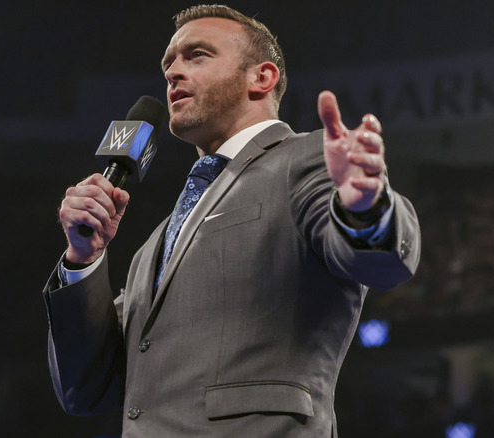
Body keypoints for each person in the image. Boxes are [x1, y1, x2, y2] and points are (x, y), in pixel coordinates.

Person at [43, 4, 420, 437]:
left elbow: (382, 263)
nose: (173, 73)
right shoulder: (156, 245)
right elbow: (84, 391)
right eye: (169, 63)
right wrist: (81, 260)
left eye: (196, 55)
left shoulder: (306, 160)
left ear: (261, 77)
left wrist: (365, 207)